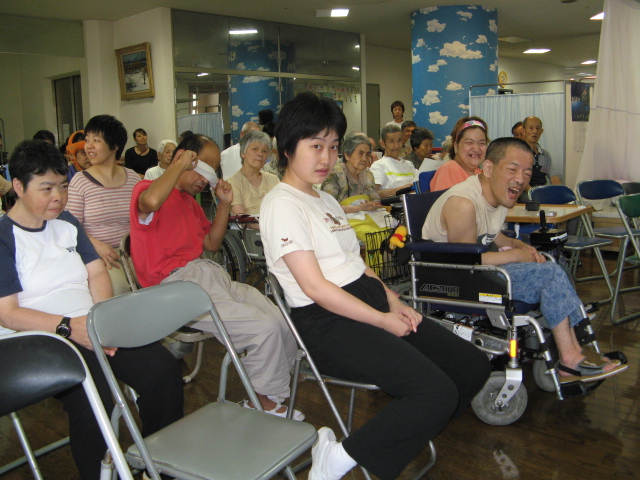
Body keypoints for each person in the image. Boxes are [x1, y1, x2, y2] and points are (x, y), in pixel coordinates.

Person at [260, 92, 490, 480]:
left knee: (472, 366)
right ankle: (339, 457)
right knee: (435, 392)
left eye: (333, 147)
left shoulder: (325, 200)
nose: (326, 157)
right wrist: (382, 320)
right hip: (327, 322)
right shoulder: (281, 204)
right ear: (287, 147)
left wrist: (392, 301)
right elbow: (315, 288)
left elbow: (359, 265)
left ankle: (405, 430)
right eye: (315, 146)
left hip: (366, 301)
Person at [0, 140, 183, 480]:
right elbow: (8, 313)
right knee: (93, 392)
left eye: (63, 186)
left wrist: (100, 318)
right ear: (19, 187)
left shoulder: (66, 222)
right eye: (46, 189)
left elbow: (97, 272)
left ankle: (158, 466)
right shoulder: (4, 237)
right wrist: (70, 327)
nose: (58, 197)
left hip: (88, 325)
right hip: (37, 337)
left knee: (162, 370)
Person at [422, 137, 627, 384]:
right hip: (453, 279)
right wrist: (514, 255)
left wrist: (520, 246)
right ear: (488, 168)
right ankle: (570, 355)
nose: (520, 179)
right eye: (512, 169)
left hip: (476, 271)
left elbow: (491, 235)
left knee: (552, 264)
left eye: (527, 173)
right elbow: (465, 261)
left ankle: (574, 343)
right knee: (549, 274)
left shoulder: (496, 195)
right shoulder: (463, 203)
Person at [129, 133, 302, 421]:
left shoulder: (190, 203)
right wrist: (179, 164)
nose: (206, 179)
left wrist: (223, 204)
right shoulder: (147, 189)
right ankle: (262, 401)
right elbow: (152, 201)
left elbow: (211, 243)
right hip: (174, 286)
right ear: (183, 159)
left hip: (208, 276)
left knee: (279, 317)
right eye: (202, 168)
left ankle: (276, 389)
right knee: (263, 327)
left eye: (213, 170)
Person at [66, 115, 140, 296]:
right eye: (87, 140)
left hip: (134, 250)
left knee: (155, 283)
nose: (88, 146)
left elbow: (143, 219)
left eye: (96, 140)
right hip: (99, 254)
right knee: (118, 290)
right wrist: (96, 245)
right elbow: (70, 226)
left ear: (114, 146)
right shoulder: (80, 181)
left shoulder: (132, 178)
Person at [228, 130, 279, 228]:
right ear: (243, 153)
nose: (260, 154)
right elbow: (240, 218)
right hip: (249, 232)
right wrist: (269, 228)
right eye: (255, 149)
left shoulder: (273, 180)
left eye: (264, 151)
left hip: (275, 227)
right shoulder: (233, 182)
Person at [430, 116, 488, 192]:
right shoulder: (449, 170)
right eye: (469, 142)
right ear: (456, 147)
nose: (476, 149)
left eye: (482, 143)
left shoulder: (481, 173)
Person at [369, 124, 417, 198]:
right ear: (382, 143)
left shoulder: (409, 164)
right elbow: (374, 195)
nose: (397, 146)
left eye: (399, 141)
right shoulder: (378, 166)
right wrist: (402, 190)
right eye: (392, 141)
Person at [523, 116, 553, 186]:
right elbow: (520, 178)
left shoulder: (545, 155)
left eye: (537, 128)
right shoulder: (519, 153)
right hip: (525, 191)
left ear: (541, 131)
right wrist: (532, 192)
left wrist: (560, 189)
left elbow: (552, 174)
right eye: (531, 128)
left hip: (542, 190)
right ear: (524, 131)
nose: (535, 131)